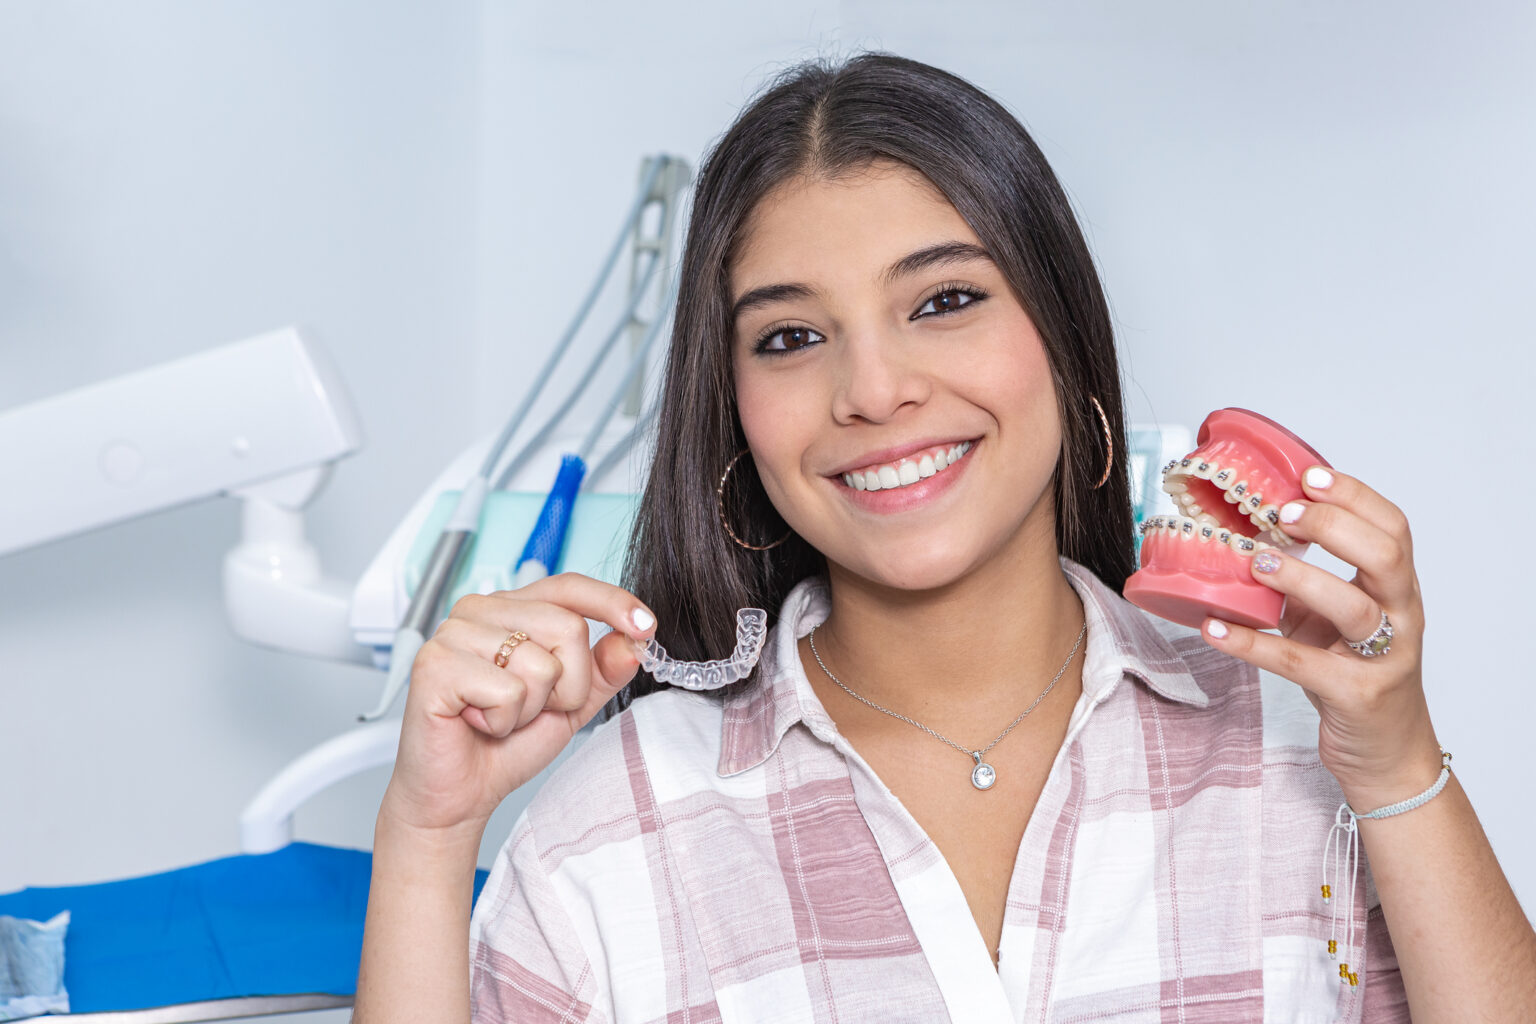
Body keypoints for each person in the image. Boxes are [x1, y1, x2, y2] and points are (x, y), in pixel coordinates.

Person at [354, 54, 1536, 1022]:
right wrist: (427, 832)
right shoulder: (615, 821)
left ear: (1062, 337)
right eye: (788, 338)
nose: (873, 389)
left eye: (944, 301)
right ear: (735, 417)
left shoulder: (1295, 744)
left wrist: (1395, 767)